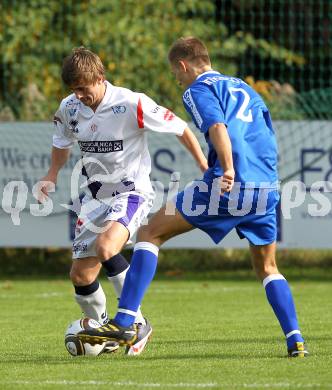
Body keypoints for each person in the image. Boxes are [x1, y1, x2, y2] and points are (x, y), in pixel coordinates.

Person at [78, 37, 308, 358]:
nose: (177, 79)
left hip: (228, 183)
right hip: (266, 185)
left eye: (176, 72)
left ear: (184, 65)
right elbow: (265, 134)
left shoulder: (198, 89)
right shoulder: (244, 87)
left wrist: (226, 168)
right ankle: (295, 339)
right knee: (268, 267)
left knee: (149, 232)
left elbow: (217, 126)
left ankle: (126, 321)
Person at [39, 46, 208, 356]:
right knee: (80, 275)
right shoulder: (69, 107)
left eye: (83, 88)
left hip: (132, 193)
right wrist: (51, 174)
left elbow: (181, 128)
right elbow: (61, 142)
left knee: (107, 247)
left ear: (100, 78)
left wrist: (204, 166)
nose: (78, 95)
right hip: (94, 199)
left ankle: (135, 323)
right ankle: (105, 330)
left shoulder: (131, 103)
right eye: (73, 90)